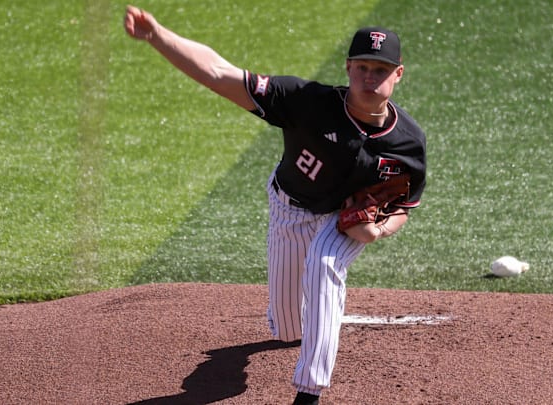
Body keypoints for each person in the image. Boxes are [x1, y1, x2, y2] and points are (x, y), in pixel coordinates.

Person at [124, 6, 426, 404]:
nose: (370, 78)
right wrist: (158, 36)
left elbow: (405, 204)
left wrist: (378, 231)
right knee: (285, 328)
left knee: (325, 264)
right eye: (363, 67)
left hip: (343, 221)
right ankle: (285, 336)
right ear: (349, 67)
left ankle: (309, 392)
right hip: (291, 207)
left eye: (381, 70)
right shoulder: (306, 101)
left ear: (397, 74)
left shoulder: (408, 142)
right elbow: (219, 73)